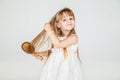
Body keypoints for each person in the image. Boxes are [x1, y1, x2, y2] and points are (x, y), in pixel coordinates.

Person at [31, 7, 83, 80]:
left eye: (71, 18)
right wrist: (42, 53)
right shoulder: (56, 38)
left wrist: (49, 31)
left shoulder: (74, 38)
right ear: (58, 25)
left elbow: (60, 44)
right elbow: (55, 51)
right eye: (64, 20)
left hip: (67, 68)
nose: (69, 21)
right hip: (55, 67)